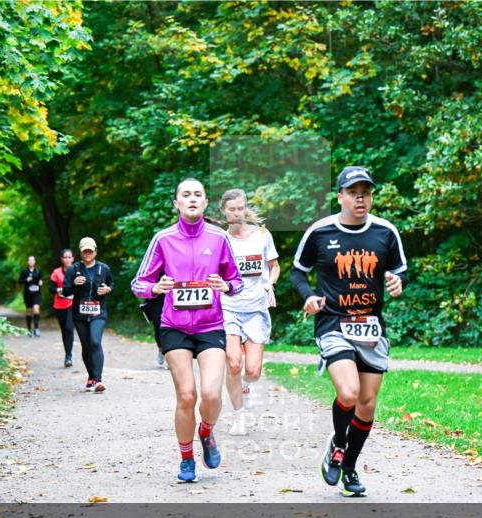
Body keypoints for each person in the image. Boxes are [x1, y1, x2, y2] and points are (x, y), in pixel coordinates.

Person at [290, 166, 407, 497]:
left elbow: (400, 269)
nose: (360, 198)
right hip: (333, 323)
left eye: (365, 193)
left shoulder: (385, 232)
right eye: (353, 192)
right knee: (349, 392)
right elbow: (297, 271)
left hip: (371, 326)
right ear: (340, 196)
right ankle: (338, 445)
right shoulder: (320, 232)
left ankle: (350, 468)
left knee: (367, 404)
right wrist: (308, 296)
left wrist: (398, 282)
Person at [131, 178, 243, 483]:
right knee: (186, 395)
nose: (192, 199)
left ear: (205, 203)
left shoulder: (219, 238)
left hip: (210, 326)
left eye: (198, 194)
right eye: (186, 194)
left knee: (211, 394)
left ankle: (206, 431)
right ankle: (186, 459)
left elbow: (236, 281)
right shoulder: (163, 239)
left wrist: (226, 285)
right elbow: (138, 283)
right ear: (176, 203)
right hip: (174, 327)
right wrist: (155, 287)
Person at [218, 189, 279, 435]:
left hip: (255, 308)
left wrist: (269, 283)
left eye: (240, 208)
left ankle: (246, 385)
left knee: (252, 371)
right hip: (228, 307)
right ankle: (238, 416)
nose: (237, 213)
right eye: (232, 209)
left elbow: (274, 266)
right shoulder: (220, 240)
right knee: (233, 363)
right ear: (224, 211)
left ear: (245, 208)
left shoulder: (262, 235)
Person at [64, 237, 114, 392]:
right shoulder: (73, 270)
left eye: (90, 251)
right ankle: (91, 378)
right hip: (80, 314)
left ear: (95, 252)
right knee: (86, 346)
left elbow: (111, 284)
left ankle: (98, 380)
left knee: (95, 342)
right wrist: (74, 284)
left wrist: (108, 289)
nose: (87, 253)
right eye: (85, 251)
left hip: (99, 313)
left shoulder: (104, 268)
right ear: (81, 252)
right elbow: (65, 291)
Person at [50, 249, 76, 367]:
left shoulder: (77, 271)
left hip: (73, 304)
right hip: (59, 305)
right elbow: (51, 288)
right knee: (64, 330)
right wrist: (58, 290)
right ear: (61, 259)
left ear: (73, 258)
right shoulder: (56, 272)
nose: (67, 259)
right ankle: (67, 353)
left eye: (69, 257)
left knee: (69, 329)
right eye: (65, 257)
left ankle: (68, 356)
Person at [139, 292, 169, 369]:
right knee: (159, 328)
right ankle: (161, 349)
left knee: (173, 329)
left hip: (174, 297)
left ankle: (169, 358)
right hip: (158, 298)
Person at [19, 255, 43, 337]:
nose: (31, 262)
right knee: (29, 311)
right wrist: (26, 280)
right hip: (27, 293)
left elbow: (41, 279)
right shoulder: (24, 271)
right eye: (30, 260)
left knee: (36, 310)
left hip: (37, 293)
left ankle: (36, 328)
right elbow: (20, 281)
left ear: (35, 262)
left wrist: (41, 282)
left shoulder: (38, 271)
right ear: (27, 262)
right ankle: (29, 329)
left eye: (33, 260)